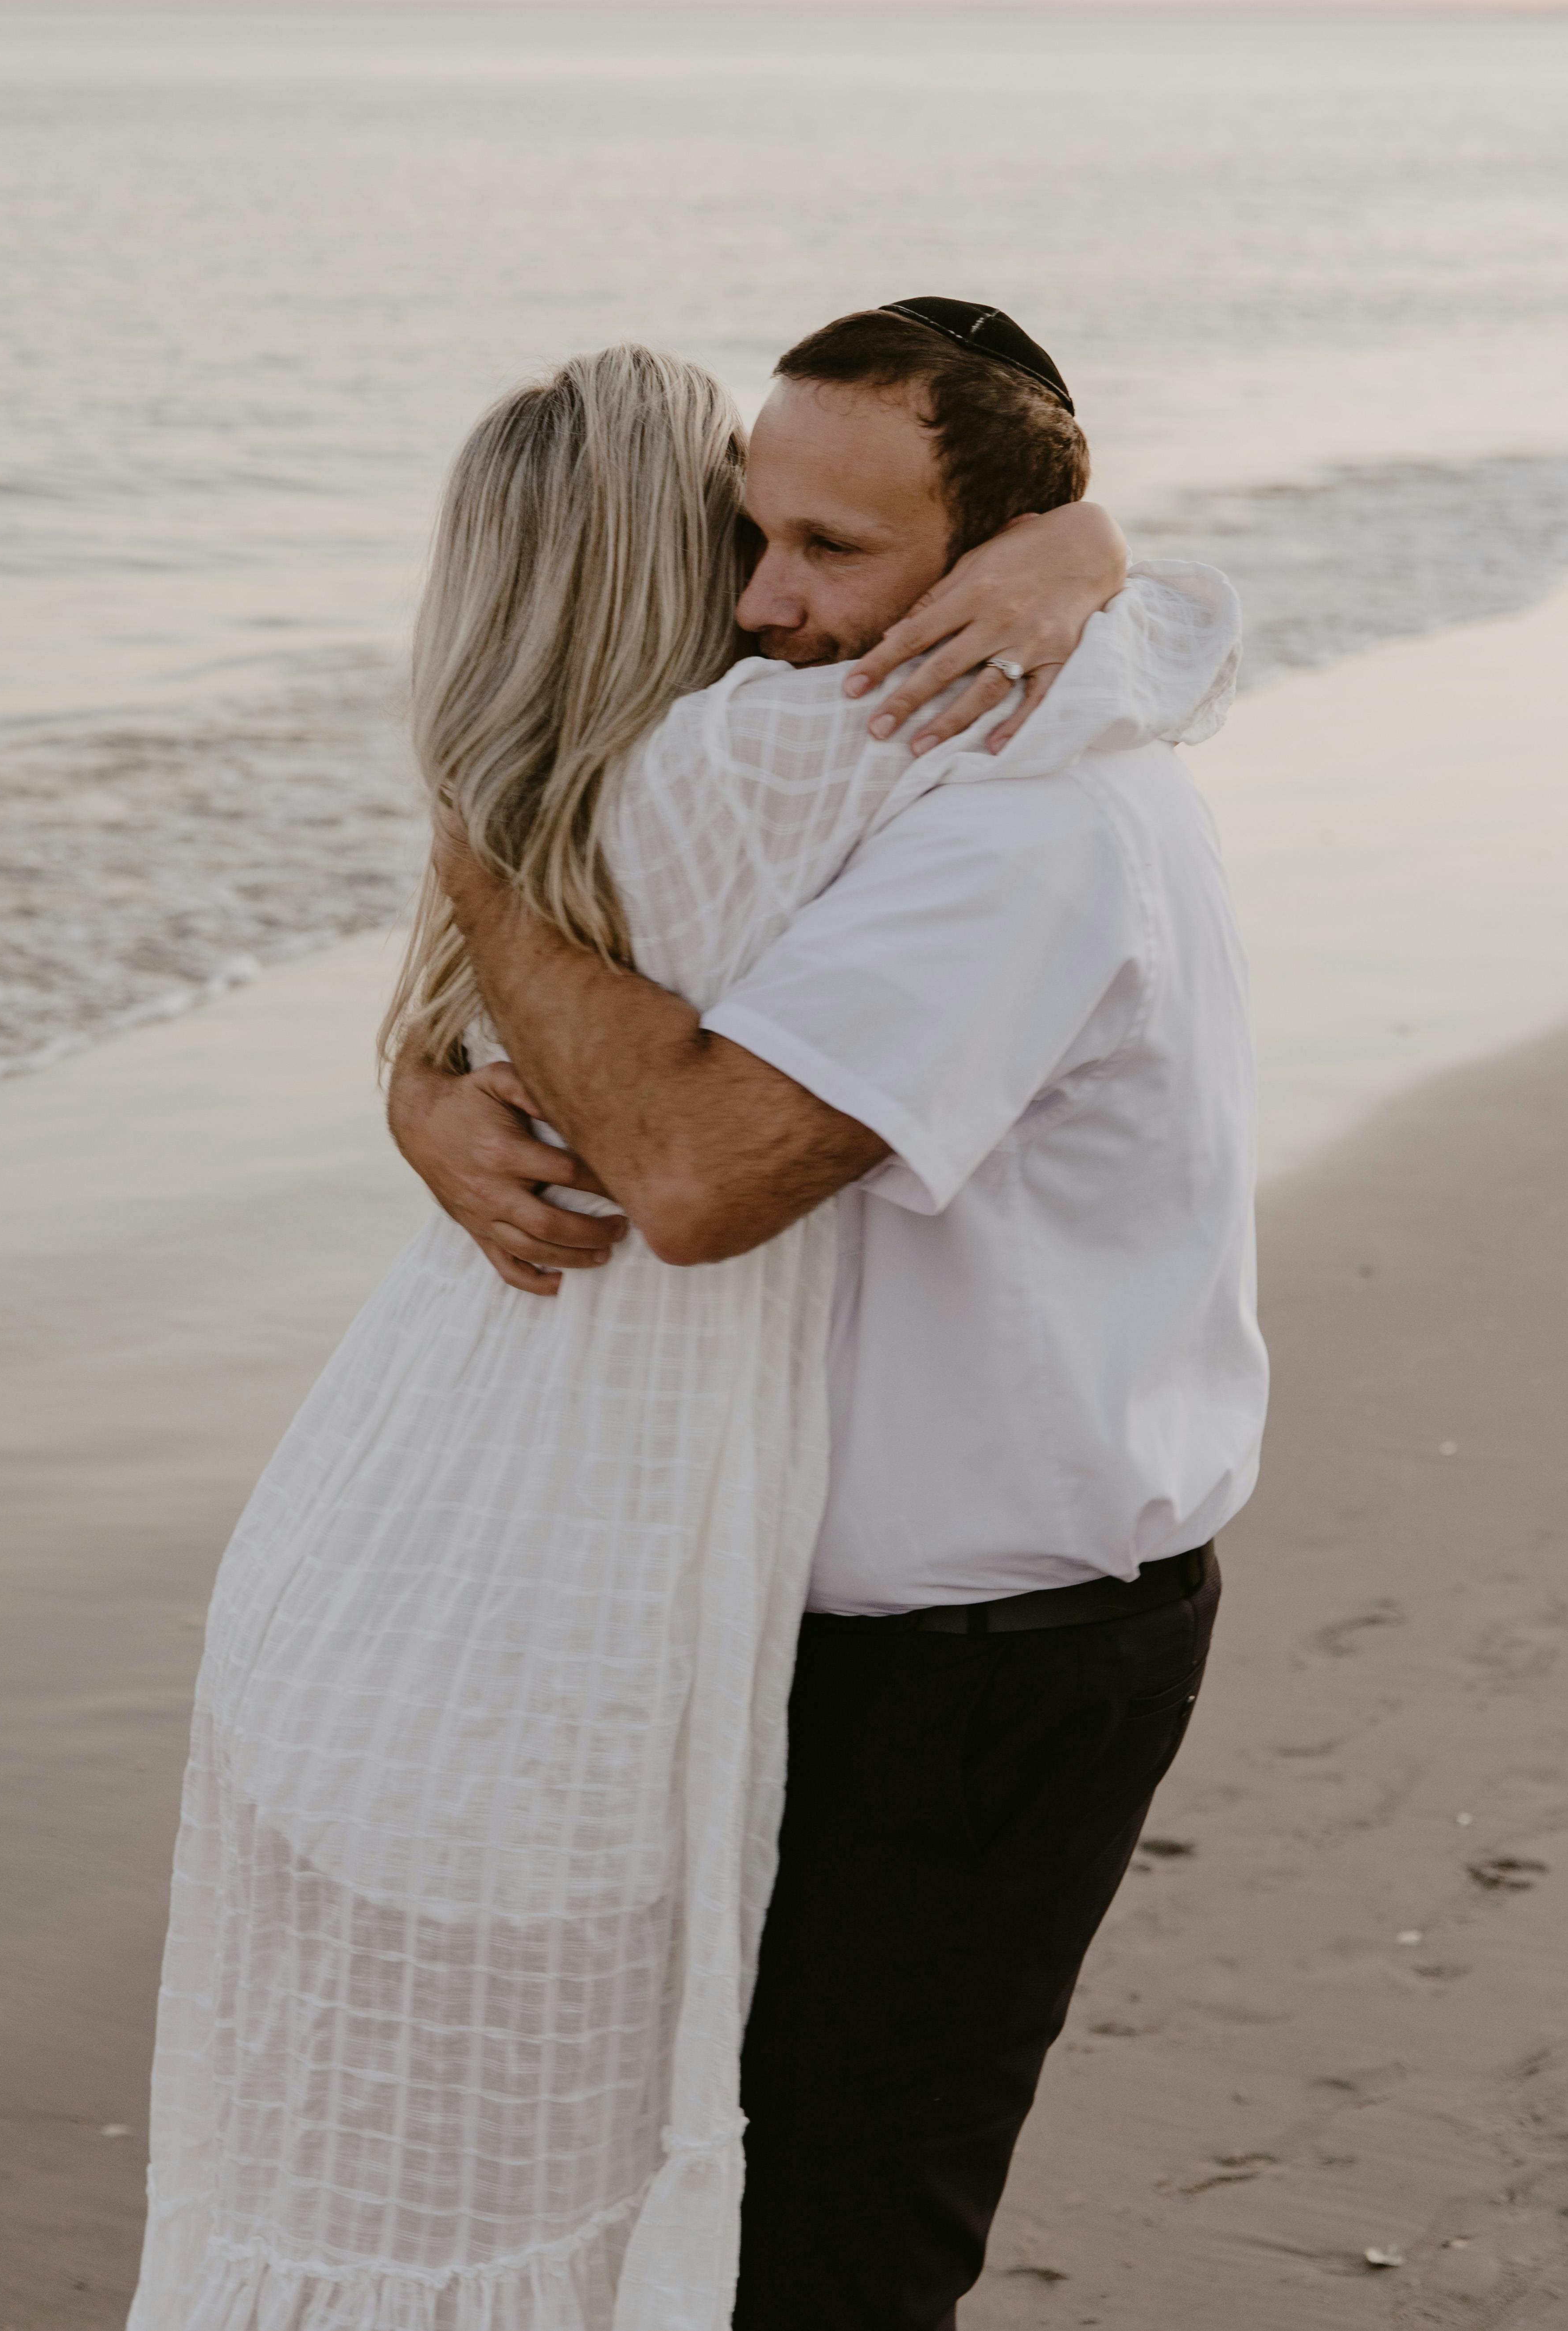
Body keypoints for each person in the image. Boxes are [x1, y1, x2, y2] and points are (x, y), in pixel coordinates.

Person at [129, 331, 1241, 2331]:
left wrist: (476, 807)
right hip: (749, 1640)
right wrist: (416, 1081)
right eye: (747, 532)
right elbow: (594, 955)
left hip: (984, 1663)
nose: (764, 600)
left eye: (831, 545)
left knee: (835, 2238)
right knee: (696, 2215)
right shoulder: (811, 762)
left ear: (993, 565)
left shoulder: (1020, 817)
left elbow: (695, 1170)